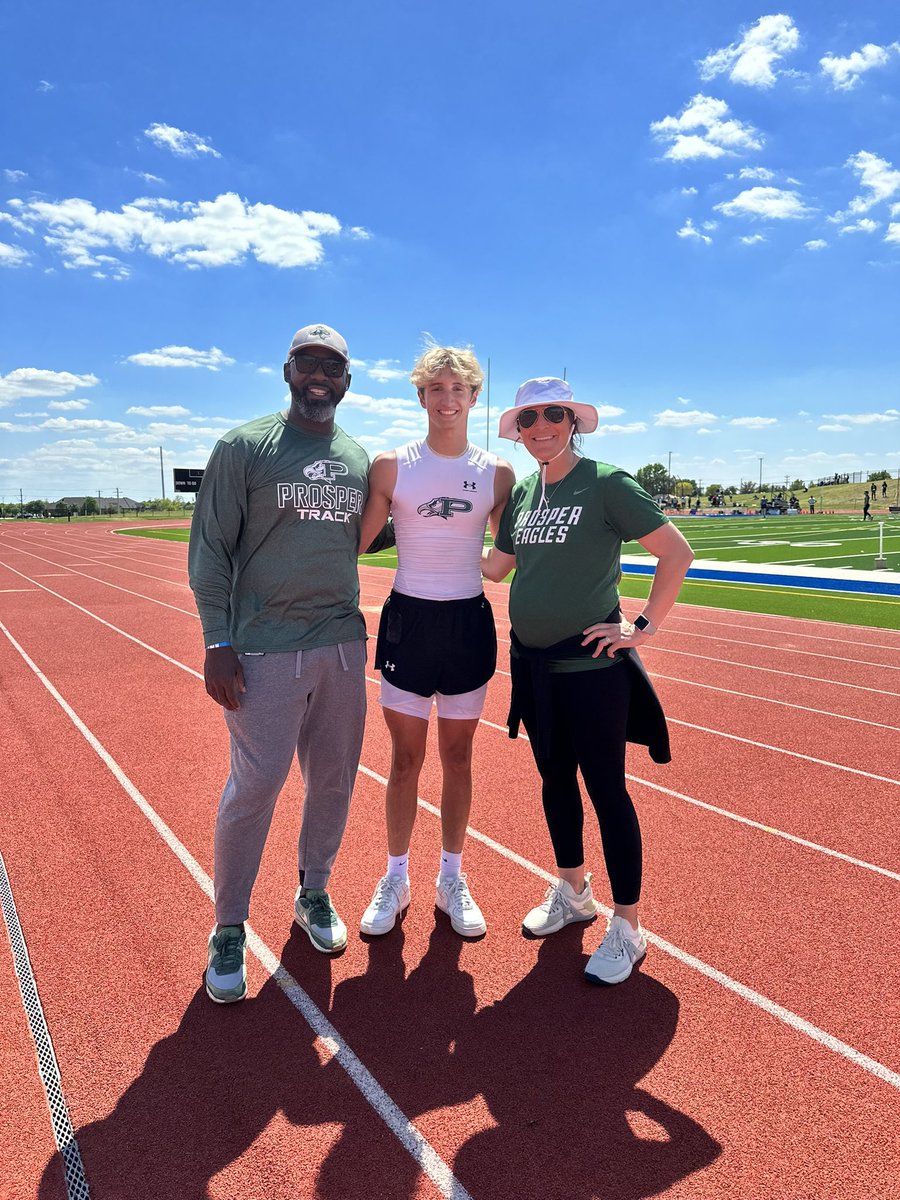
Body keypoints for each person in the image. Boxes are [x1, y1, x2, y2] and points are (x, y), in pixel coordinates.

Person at [482, 378, 694, 985]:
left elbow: (675, 553)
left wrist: (643, 629)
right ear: (518, 429)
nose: (540, 426)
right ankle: (574, 892)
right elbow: (497, 568)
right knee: (554, 782)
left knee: (607, 790)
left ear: (573, 421)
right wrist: (427, 537)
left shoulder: (606, 483)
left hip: (593, 671)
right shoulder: (523, 493)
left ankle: (628, 926)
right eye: (528, 419)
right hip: (535, 667)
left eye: (553, 414)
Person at [189, 323, 371, 1003]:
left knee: (333, 784)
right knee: (254, 788)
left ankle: (313, 892)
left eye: (333, 365)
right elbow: (210, 549)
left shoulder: (357, 456)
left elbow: (374, 535)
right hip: (263, 647)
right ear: (288, 371)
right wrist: (216, 640)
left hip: (342, 647)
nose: (320, 374)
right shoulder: (244, 447)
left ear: (347, 381)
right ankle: (229, 927)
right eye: (308, 362)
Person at [356, 345, 515, 939]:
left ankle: (452, 878)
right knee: (404, 759)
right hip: (408, 622)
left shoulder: (498, 473)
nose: (447, 400)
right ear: (420, 396)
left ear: (474, 397)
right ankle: (396, 878)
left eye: (458, 389)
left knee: (458, 758)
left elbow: (503, 562)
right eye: (436, 389)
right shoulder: (391, 466)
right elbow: (352, 542)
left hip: (468, 622)